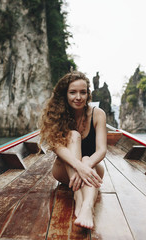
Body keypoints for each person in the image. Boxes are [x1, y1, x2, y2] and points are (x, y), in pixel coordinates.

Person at [40, 71, 107, 229]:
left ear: (88, 94)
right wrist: (79, 167)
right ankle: (78, 197)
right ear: (65, 94)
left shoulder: (98, 114)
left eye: (83, 92)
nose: (78, 97)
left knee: (86, 158)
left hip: (91, 168)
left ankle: (87, 207)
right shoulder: (56, 116)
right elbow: (57, 148)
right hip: (63, 170)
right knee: (74, 135)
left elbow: (102, 150)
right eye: (72, 92)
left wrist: (86, 164)